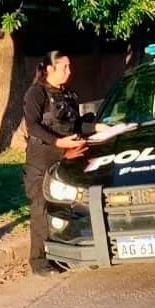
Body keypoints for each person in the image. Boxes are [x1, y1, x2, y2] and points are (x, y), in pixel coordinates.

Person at [22, 51, 109, 276]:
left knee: (68, 207)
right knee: (41, 210)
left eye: (70, 67)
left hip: (68, 159)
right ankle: (39, 261)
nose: (69, 72)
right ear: (49, 69)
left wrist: (98, 128)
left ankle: (66, 250)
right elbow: (32, 126)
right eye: (64, 67)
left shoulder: (69, 94)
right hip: (41, 162)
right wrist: (58, 141)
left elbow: (76, 125)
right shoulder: (36, 93)